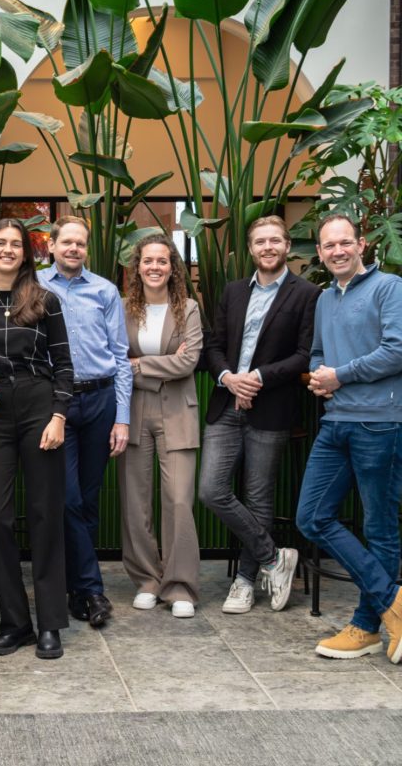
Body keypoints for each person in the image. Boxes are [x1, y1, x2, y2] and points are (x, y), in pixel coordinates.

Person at [0, 219, 73, 659]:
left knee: (45, 514)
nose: (8, 250)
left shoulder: (45, 300)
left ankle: (50, 624)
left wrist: (59, 415)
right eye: (0, 243)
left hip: (38, 405)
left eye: (16, 245)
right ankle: (16, 623)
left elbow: (64, 364)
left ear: (26, 254)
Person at [199, 216, 319, 614]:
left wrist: (258, 378)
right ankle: (274, 558)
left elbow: (304, 354)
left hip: (270, 407)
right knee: (211, 490)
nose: (267, 247)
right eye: (259, 241)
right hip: (226, 403)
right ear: (250, 249)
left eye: (274, 240)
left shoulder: (307, 294)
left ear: (287, 246)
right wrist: (229, 378)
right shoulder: (233, 291)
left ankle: (246, 581)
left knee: (258, 497)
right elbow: (214, 346)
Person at [295, 215, 402, 661]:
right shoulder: (324, 298)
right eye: (328, 245)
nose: (337, 251)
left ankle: (365, 626)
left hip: (379, 422)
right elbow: (318, 352)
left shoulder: (389, 287)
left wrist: (340, 375)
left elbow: (397, 350)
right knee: (311, 517)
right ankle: (393, 601)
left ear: (361, 245)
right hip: (336, 421)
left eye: (345, 243)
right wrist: (319, 378)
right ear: (320, 253)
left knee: (380, 528)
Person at [37, 216, 132, 628]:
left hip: (100, 400)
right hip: (54, 403)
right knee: (68, 498)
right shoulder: (34, 286)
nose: (74, 248)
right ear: (52, 246)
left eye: (80, 243)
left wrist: (122, 419)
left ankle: (76, 589)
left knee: (88, 499)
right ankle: (92, 589)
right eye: (67, 242)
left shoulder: (105, 291)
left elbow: (121, 357)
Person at [117, 235, 203, 618]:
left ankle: (180, 585)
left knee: (179, 499)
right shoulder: (123, 308)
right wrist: (160, 363)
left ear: (172, 268)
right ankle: (147, 581)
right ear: (137, 267)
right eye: (148, 261)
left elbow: (188, 362)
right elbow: (115, 360)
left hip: (178, 411)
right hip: (133, 410)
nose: (155, 267)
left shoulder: (189, 308)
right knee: (136, 501)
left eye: (162, 261)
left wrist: (138, 364)